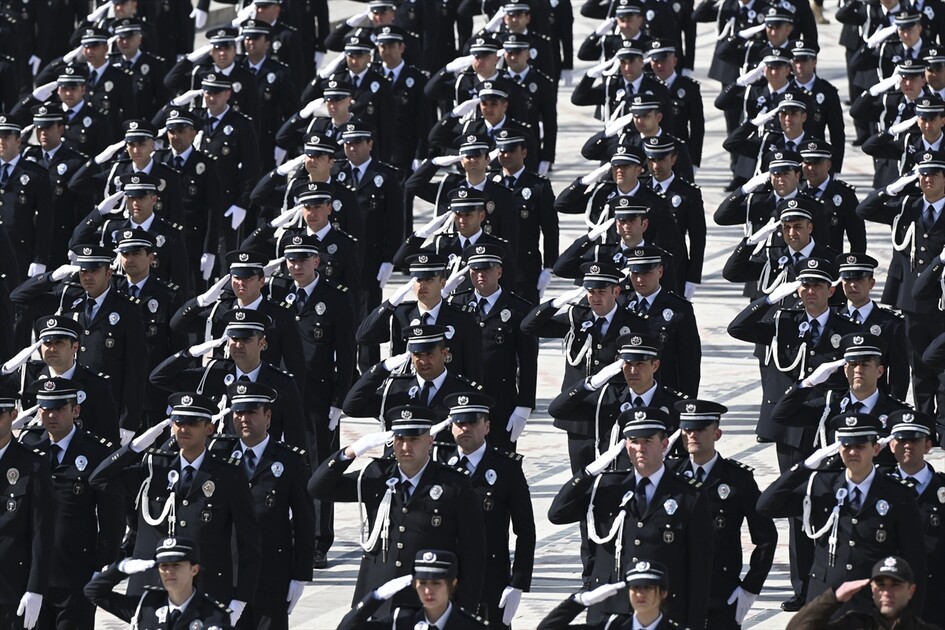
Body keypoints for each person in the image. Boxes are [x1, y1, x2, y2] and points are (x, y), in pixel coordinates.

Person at [88, 392, 260, 623]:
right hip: (150, 587)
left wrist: (240, 599)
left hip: (206, 590)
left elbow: (249, 542)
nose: (183, 429)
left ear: (209, 428)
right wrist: (135, 448)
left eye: (192, 423)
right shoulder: (154, 467)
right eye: (178, 423)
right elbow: (99, 479)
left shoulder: (227, 474)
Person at [308, 405, 486, 616]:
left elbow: (473, 552)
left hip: (427, 603)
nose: (405, 447)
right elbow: (317, 488)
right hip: (377, 601)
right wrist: (350, 452)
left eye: (414, 439)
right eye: (400, 439)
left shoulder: (453, 485)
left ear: (429, 442)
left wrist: (464, 608)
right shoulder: (377, 476)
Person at [547, 407, 711, 627]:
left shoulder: (689, 496)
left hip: (661, 610)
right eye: (633, 441)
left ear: (664, 445)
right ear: (626, 446)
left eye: (647, 441)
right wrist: (587, 473)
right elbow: (557, 514)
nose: (640, 448)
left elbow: (699, 568)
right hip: (608, 608)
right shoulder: (607, 486)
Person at [757, 413, 927, 616]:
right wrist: (803, 468)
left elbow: (913, 559)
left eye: (860, 446)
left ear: (875, 449)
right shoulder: (822, 485)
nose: (853, 452)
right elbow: (766, 506)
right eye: (846, 446)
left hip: (874, 605)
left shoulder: (896, 494)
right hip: (826, 603)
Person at [10, 245, 148, 444]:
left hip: (106, 404)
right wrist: (52, 277)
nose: (87, 277)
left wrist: (128, 420)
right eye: (83, 271)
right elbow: (18, 297)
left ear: (108, 272)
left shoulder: (127, 309)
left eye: (94, 271)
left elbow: (135, 368)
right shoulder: (69, 299)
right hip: (67, 403)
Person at [16, 378, 122, 630]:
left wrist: (103, 568)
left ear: (75, 410)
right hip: (31, 574)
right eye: (45, 408)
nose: (51, 415)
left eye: (59, 408)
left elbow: (111, 519)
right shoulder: (28, 447)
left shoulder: (96, 452)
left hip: (76, 572)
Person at [208, 382, 315, 629]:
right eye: (238, 412)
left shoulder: (289, 461)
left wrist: (300, 575)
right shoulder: (218, 456)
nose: (244, 419)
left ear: (268, 416)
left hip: (272, 572)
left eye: (251, 412)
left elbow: (305, 520)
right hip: (229, 572)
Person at [667, 400, 778, 629]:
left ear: (717, 433)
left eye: (700, 429)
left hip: (720, 592)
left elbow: (766, 536)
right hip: (676, 590)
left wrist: (749, 589)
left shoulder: (737, 479)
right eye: (687, 429)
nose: (692, 435)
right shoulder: (669, 475)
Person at [435, 392, 536, 628]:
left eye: (473, 422)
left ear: (487, 426)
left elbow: (525, 529)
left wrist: (518, 583)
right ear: (451, 428)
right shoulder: (438, 464)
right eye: (460, 423)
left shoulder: (506, 468)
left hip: (491, 578)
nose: (465, 428)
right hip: (445, 577)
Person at [150, 308, 306, 447]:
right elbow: (159, 377)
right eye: (234, 339)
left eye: (246, 339)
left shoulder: (281, 383)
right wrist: (190, 353)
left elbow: (296, 438)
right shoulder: (214, 373)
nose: (238, 345)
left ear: (261, 343)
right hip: (217, 465)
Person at [446, 244, 538, 449]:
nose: (480, 275)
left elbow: (528, 361)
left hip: (501, 400)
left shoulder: (518, 309)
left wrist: (524, 406)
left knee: (501, 462)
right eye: (475, 270)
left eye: (486, 269)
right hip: (463, 399)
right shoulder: (455, 305)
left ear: (499, 271)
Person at [882, 410, 945, 628]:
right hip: (890, 595)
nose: (907, 445)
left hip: (937, 596)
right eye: (901, 440)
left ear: (928, 445)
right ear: (891, 446)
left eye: (914, 439)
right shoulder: (877, 489)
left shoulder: (942, 489)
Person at [84, 537, 232, 628]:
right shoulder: (147, 605)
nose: (169, 571)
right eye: (164, 566)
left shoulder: (214, 615)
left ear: (194, 569)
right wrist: (121, 568)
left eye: (176, 565)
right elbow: (94, 592)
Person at [0, 386, 53, 630]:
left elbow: (41, 532)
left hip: (12, 588)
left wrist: (35, 589)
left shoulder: (32, 465)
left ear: (13, 415)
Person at [336, 550, 488, 629]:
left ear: (453, 584)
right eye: (422, 583)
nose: (428, 591)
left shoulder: (470, 626)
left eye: (436, 584)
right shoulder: (402, 620)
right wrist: (377, 596)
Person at [785, 556, 940, 630]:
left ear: (910, 591)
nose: (886, 592)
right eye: (880, 585)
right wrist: (833, 598)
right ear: (872, 589)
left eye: (895, 585)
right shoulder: (855, 624)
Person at [537, 560, 681, 629]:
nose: (639, 594)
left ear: (663, 593)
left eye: (647, 588)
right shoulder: (611, 626)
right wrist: (580, 601)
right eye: (635, 588)